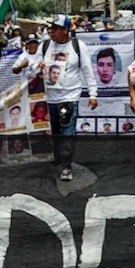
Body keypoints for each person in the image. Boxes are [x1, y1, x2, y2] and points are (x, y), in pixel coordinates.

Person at [37, 14, 99, 182]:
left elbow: (87, 71)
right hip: (50, 98)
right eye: (51, 28)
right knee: (56, 131)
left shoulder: (78, 46)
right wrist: (38, 66)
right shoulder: (45, 46)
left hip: (69, 97)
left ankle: (66, 166)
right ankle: (58, 159)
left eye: (56, 28)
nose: (52, 31)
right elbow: (32, 69)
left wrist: (93, 94)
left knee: (67, 131)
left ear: (65, 30)